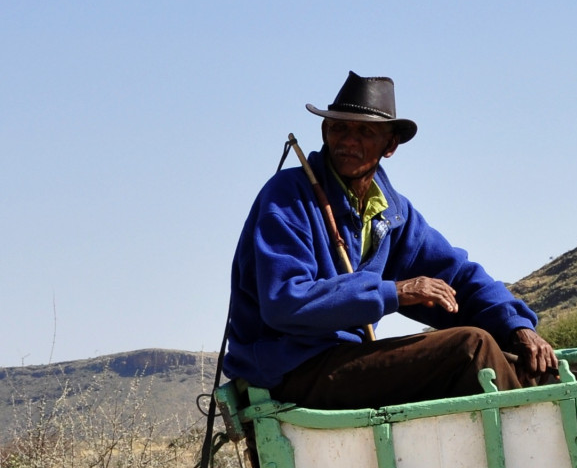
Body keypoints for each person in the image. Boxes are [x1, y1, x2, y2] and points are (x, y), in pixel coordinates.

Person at [221, 72, 558, 408]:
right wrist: (395, 291)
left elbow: (458, 277)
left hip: (345, 360)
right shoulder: (287, 198)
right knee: (471, 349)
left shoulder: (391, 212)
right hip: (289, 369)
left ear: (391, 144)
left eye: (365, 131)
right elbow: (285, 301)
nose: (348, 140)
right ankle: (532, 453)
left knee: (529, 366)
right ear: (325, 131)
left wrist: (517, 328)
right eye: (339, 127)